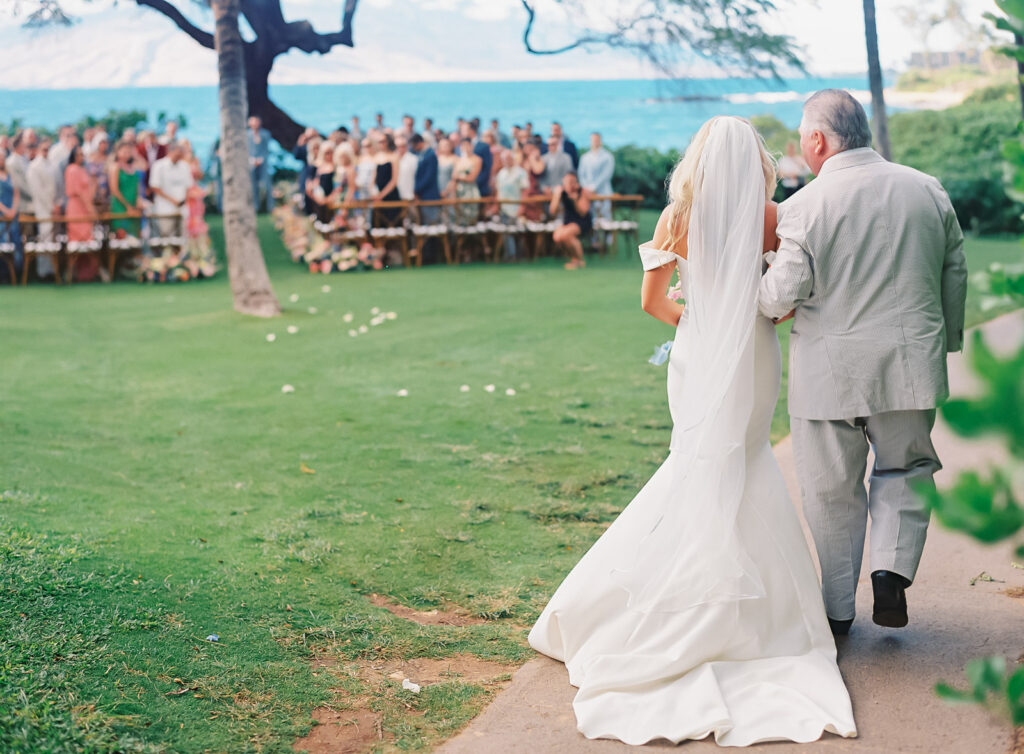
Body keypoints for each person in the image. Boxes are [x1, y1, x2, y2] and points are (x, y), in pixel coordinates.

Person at [529, 116, 857, 745]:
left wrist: (702, 321)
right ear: (755, 160)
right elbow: (783, 301)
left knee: (696, 462)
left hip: (699, 351)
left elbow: (654, 303)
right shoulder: (772, 215)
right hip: (755, 352)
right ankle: (766, 619)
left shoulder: (675, 215)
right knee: (751, 456)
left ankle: (668, 600)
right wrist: (745, 317)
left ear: (699, 159)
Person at [758, 89, 968, 635]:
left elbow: (782, 295)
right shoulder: (927, 189)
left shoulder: (803, 204)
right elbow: (954, 271)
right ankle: (889, 573)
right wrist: (943, 344)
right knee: (907, 469)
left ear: (819, 140)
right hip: (908, 364)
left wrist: (756, 283)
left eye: (804, 138)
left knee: (830, 492)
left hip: (829, 373)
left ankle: (837, 611)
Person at [65, 145, 100, 282]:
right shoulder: (72, 169)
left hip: (85, 206)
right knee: (78, 239)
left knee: (88, 239)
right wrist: (90, 208)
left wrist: (94, 185)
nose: (81, 156)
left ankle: (88, 274)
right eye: (78, 154)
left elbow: (88, 191)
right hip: (77, 208)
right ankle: (74, 274)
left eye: (82, 154)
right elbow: (78, 192)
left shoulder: (83, 170)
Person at [27, 139, 59, 279]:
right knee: (45, 238)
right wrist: (50, 206)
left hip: (53, 206)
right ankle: (43, 272)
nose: (47, 151)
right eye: (44, 148)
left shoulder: (51, 164)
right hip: (43, 208)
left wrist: (56, 204)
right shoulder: (34, 166)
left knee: (52, 239)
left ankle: (52, 270)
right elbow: (37, 191)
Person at [149, 142, 193, 237]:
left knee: (182, 237)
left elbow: (188, 186)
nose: (179, 156)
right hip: (165, 209)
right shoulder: (159, 165)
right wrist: (172, 200)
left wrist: (183, 200)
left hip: (182, 209)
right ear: (170, 152)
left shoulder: (185, 166)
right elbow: (155, 187)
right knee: (167, 236)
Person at [549, 172, 591, 269]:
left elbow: (583, 213)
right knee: (557, 236)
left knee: (566, 235)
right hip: (568, 221)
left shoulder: (582, 192)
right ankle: (573, 258)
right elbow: (552, 211)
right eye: (567, 182)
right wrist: (556, 196)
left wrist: (575, 200)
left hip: (582, 221)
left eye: (572, 182)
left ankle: (580, 260)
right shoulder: (561, 192)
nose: (570, 185)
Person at [495, 149, 528, 259]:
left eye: (509, 158)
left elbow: (525, 191)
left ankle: (518, 255)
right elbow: (498, 191)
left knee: (516, 232)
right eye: (504, 159)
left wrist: (522, 206)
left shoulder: (520, 172)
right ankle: (510, 255)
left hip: (516, 207)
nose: (507, 161)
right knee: (506, 232)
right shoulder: (501, 173)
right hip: (504, 208)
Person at [577, 131, 615, 224]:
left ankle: (608, 239)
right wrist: (587, 188)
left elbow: (606, 175)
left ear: (600, 140)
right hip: (588, 194)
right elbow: (581, 175)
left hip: (604, 192)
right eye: (593, 139)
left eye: (597, 139)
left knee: (606, 220)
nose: (595, 141)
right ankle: (594, 239)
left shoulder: (608, 156)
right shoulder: (585, 157)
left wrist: (594, 187)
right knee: (592, 220)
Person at [108, 140, 143, 239]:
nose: (127, 154)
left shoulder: (133, 168)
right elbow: (114, 189)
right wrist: (127, 206)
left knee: (136, 236)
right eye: (124, 151)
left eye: (129, 151)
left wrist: (137, 202)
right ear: (117, 152)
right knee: (121, 235)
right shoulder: (115, 167)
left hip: (133, 204)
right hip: (120, 206)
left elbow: (144, 166)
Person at [0, 151, 23, 279]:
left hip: (13, 214)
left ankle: (16, 274)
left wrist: (13, 210)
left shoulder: (10, 175)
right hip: (2, 215)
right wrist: (5, 211)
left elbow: (16, 192)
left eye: (2, 158)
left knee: (15, 241)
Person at [411, 133, 440, 225]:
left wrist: (416, 189)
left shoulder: (430, 155)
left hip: (429, 195)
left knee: (431, 224)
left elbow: (428, 176)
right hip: (422, 195)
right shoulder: (421, 155)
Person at [372, 132, 401, 225]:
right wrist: (374, 192)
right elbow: (373, 178)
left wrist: (382, 195)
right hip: (378, 195)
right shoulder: (377, 157)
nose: (381, 144)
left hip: (391, 196)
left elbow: (394, 180)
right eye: (379, 142)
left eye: (383, 141)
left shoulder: (394, 156)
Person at [452, 136, 482, 226]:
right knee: (459, 217)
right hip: (459, 191)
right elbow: (454, 176)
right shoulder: (457, 160)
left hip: (470, 191)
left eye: (467, 145)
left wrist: (460, 176)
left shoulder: (477, 159)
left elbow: (472, 177)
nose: (465, 147)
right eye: (463, 145)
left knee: (471, 217)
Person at [247, 115, 273, 213]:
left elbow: (267, 149)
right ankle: (254, 207)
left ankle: (269, 207)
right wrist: (252, 160)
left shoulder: (265, 134)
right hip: (251, 164)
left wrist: (261, 159)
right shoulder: (247, 135)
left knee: (267, 184)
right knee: (252, 186)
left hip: (263, 163)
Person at [395, 135, 418, 202]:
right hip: (396, 196)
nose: (400, 148)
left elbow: (416, 177)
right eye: (398, 146)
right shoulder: (392, 158)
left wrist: (415, 193)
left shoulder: (413, 159)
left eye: (402, 146)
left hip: (410, 196)